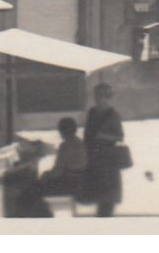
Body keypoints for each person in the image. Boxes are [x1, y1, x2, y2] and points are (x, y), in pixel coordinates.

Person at [83, 82, 127, 217]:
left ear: (108, 97)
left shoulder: (113, 115)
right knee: (96, 197)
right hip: (93, 160)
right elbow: (87, 134)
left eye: (102, 95)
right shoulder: (92, 112)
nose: (98, 98)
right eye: (97, 95)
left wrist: (102, 136)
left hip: (108, 162)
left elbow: (120, 137)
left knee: (107, 201)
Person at [40, 116, 89, 197]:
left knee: (36, 188)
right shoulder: (79, 141)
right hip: (80, 182)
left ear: (63, 131)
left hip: (70, 184)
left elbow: (57, 171)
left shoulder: (66, 145)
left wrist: (45, 175)